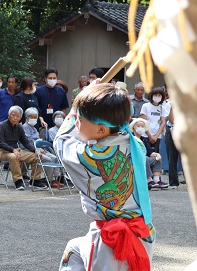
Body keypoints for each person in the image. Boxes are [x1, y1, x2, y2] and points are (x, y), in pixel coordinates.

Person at [54, 83, 154, 271]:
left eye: (80, 119)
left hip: (111, 241)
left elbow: (61, 142)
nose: (76, 123)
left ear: (101, 130)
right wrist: (95, 93)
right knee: (74, 250)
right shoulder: (136, 145)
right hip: (142, 233)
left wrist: (75, 108)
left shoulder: (91, 156)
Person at [0, 105, 47, 190]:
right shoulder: (1, 125)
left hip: (17, 150)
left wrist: (35, 150)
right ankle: (18, 181)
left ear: (20, 118)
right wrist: (13, 150)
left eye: (18, 116)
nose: (15, 118)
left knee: (37, 157)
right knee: (13, 157)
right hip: (1, 151)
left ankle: (35, 180)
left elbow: (25, 142)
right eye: (13, 115)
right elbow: (0, 143)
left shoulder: (19, 127)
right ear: (9, 115)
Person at [21, 107, 63, 188]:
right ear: (26, 118)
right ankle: (49, 180)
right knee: (47, 159)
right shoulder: (24, 127)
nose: (33, 119)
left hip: (39, 149)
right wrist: (37, 149)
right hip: (29, 150)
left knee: (54, 157)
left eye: (35, 117)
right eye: (31, 117)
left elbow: (38, 140)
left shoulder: (34, 128)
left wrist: (41, 148)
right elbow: (28, 142)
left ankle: (55, 179)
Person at [130, 118, 168, 190]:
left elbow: (149, 152)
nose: (140, 128)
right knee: (146, 158)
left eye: (142, 126)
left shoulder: (144, 139)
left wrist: (157, 155)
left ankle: (156, 180)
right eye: (138, 126)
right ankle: (149, 180)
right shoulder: (131, 138)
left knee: (156, 159)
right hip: (135, 159)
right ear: (133, 127)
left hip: (144, 159)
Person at [140, 87, 169, 153]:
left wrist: (156, 136)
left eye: (159, 95)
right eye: (155, 95)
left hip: (157, 136)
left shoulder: (162, 108)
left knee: (156, 156)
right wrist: (150, 136)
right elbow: (143, 122)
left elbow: (163, 122)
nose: (157, 97)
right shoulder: (145, 106)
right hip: (145, 135)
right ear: (151, 95)